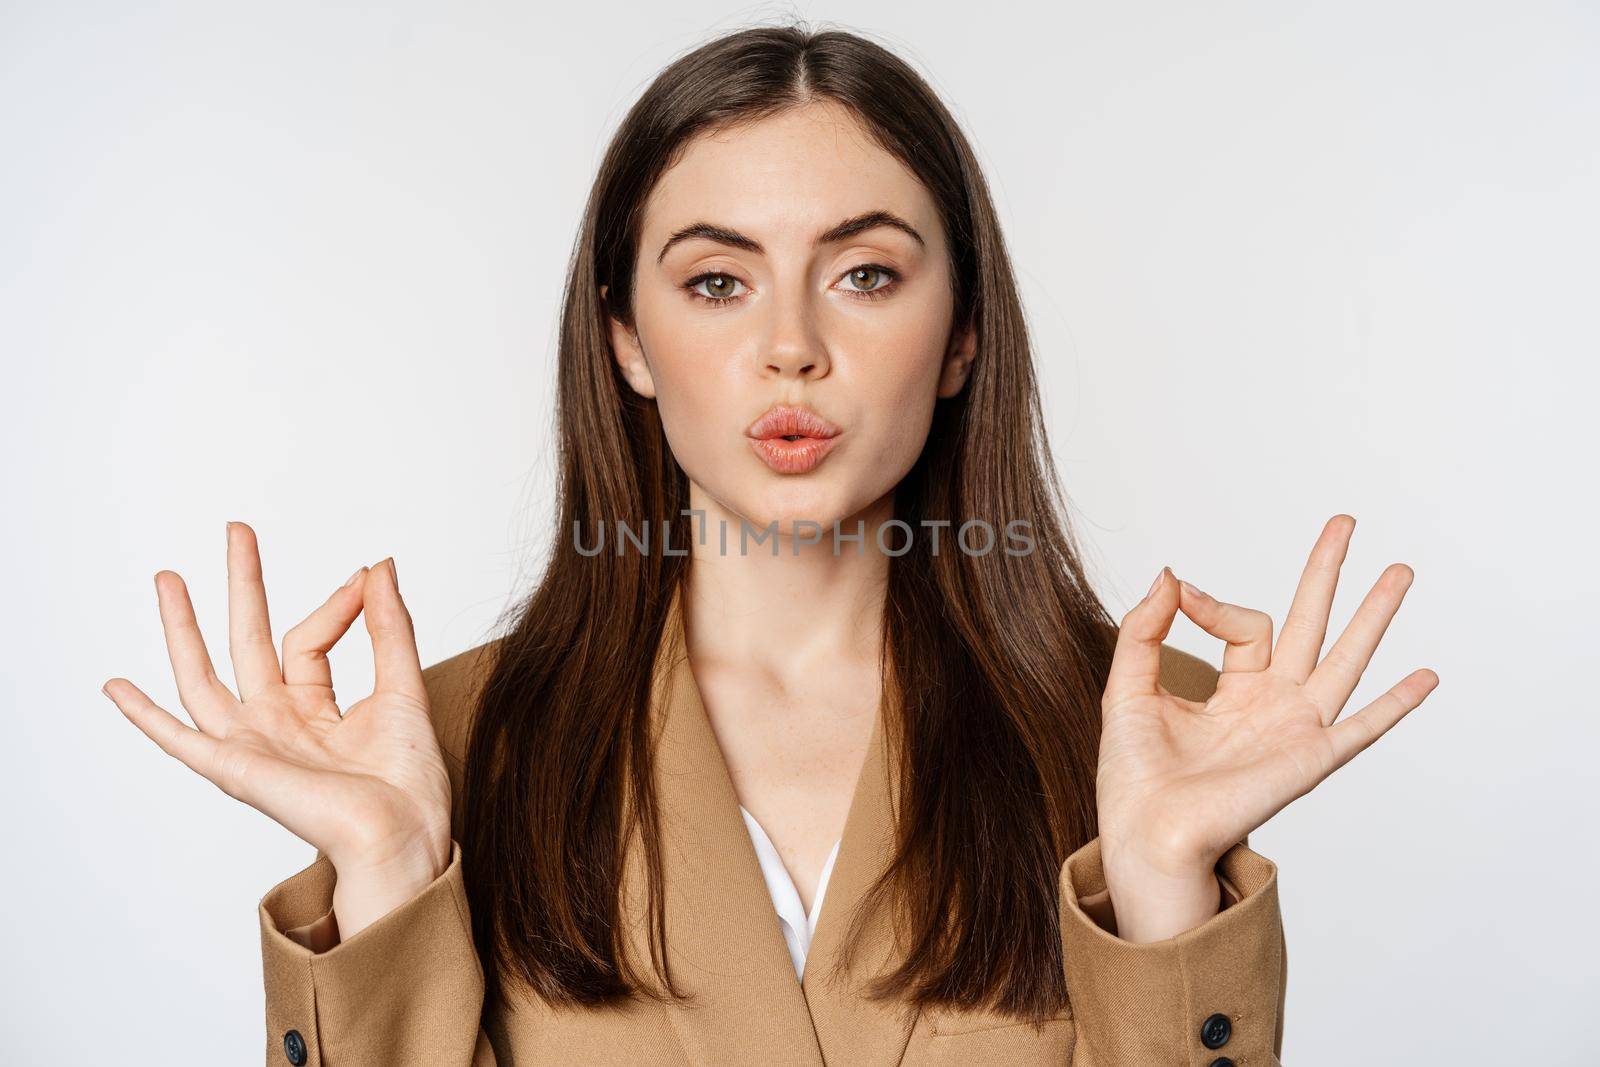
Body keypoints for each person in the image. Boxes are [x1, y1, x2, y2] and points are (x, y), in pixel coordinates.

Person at [101, 22, 1438, 1066]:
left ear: (962, 331)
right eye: (717, 281)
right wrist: (385, 881)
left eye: (865, 273)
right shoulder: (447, 754)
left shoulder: (1145, 742)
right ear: (625, 335)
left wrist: (1160, 900)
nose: (791, 343)